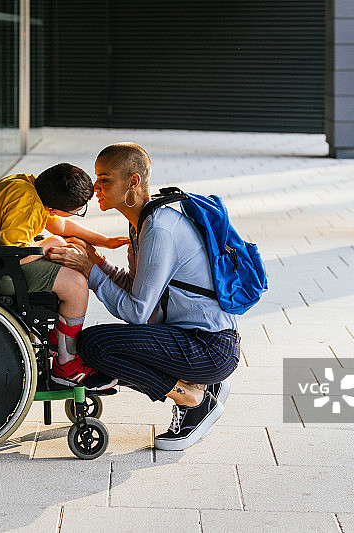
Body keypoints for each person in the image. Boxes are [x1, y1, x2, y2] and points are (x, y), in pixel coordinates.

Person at [47, 143, 239, 450]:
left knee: (95, 346)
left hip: (208, 346)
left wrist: (91, 272)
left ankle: (193, 399)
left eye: (104, 179)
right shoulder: (143, 222)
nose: (95, 187)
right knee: (97, 346)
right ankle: (203, 384)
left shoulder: (159, 229)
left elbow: (137, 312)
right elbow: (139, 290)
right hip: (192, 337)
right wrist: (97, 265)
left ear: (133, 182)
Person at [0, 163, 129, 390]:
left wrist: (106, 242)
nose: (75, 214)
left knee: (73, 253)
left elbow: (60, 224)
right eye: (76, 210)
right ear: (52, 207)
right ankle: (66, 367)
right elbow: (15, 255)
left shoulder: (29, 186)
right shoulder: (26, 205)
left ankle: (59, 340)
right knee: (76, 285)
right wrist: (50, 244)